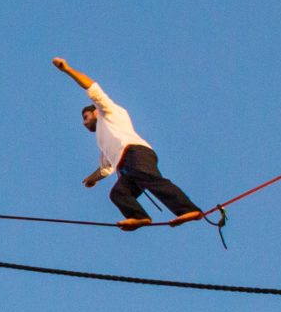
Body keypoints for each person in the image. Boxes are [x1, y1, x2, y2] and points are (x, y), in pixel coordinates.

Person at [52, 56, 202, 228]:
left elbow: (93, 88)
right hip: (126, 167)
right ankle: (139, 217)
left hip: (135, 153)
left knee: (150, 179)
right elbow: (107, 167)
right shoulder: (103, 139)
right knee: (118, 193)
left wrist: (67, 69)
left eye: (85, 117)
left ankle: (188, 210)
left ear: (95, 112)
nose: (84, 123)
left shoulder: (107, 111)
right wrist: (92, 179)